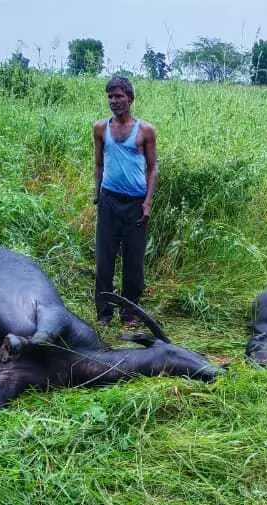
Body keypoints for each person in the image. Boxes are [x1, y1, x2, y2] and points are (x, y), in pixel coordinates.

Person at [93, 75, 158, 327]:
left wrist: (147, 202)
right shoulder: (100, 128)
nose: (114, 101)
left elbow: (152, 168)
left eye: (119, 96)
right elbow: (98, 164)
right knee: (104, 261)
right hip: (109, 201)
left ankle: (129, 314)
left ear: (130, 99)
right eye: (110, 96)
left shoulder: (145, 131)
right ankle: (104, 314)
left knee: (133, 263)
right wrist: (97, 192)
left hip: (135, 204)